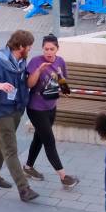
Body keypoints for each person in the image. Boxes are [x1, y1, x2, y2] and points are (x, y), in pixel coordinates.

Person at [0, 30, 38, 203]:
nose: (30, 49)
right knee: (10, 149)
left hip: (16, 108)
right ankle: (24, 188)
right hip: (0, 111)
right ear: (20, 47)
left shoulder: (20, 60)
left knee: (1, 142)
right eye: (29, 46)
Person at [24, 35, 79, 188]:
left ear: (57, 49)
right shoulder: (36, 61)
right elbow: (29, 84)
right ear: (42, 49)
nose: (48, 52)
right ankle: (64, 177)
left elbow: (63, 84)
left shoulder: (60, 61)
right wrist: (38, 71)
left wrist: (62, 81)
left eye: (51, 49)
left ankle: (28, 167)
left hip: (51, 107)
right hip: (35, 108)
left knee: (39, 137)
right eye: (46, 49)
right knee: (49, 141)